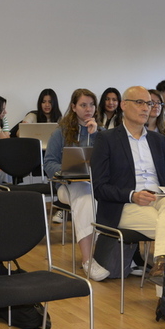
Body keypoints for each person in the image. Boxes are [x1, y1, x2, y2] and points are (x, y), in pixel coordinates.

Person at [91, 85, 165, 283]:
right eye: (140, 102)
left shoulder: (158, 140)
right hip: (125, 205)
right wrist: (132, 195)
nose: (146, 108)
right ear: (124, 105)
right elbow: (99, 187)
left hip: (159, 198)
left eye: (149, 103)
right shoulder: (106, 139)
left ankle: (161, 264)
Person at [43, 88, 107, 281]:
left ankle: (108, 256)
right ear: (73, 107)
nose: (88, 109)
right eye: (83, 105)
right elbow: (49, 162)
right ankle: (88, 260)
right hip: (67, 185)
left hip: (95, 184)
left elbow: (110, 160)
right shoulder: (60, 132)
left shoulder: (103, 133)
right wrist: (63, 172)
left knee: (92, 197)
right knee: (85, 197)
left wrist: (95, 135)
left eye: (91, 105)